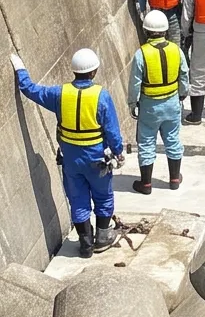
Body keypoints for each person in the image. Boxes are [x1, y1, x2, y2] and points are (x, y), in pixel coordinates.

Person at [10, 46, 123, 256]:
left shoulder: (59, 94)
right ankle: (103, 237)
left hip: (71, 160)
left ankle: (86, 244)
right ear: (94, 72)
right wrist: (118, 152)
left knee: (78, 199)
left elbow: (30, 90)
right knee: (103, 197)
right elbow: (112, 132)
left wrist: (20, 68)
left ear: (74, 71)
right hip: (97, 158)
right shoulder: (102, 97)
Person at [129, 8, 185, 193]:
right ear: (166, 30)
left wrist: (132, 103)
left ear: (146, 31)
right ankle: (175, 179)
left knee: (146, 142)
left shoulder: (141, 54)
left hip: (149, 105)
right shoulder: (176, 50)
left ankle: (146, 184)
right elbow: (184, 75)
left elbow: (135, 82)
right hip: (171, 102)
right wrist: (182, 94)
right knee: (172, 139)